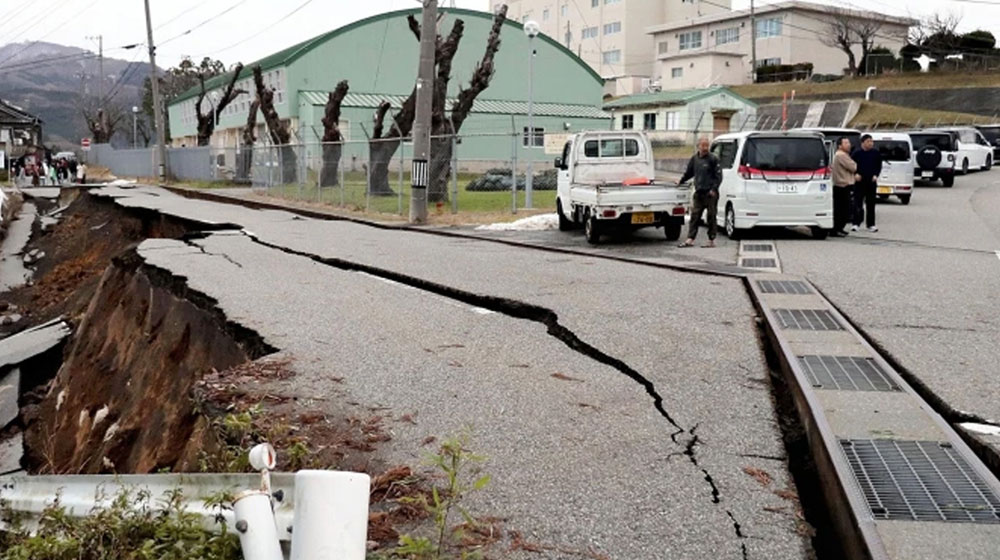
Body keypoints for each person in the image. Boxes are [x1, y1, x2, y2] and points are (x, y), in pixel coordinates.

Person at [676, 137, 722, 248]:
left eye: (707, 145)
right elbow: (689, 173)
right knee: (695, 216)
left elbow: (718, 176)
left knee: (711, 216)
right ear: (698, 146)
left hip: (710, 193)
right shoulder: (695, 159)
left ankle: (711, 239)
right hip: (699, 193)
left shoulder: (713, 159)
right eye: (703, 145)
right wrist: (681, 181)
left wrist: (714, 189)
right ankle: (690, 238)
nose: (705, 148)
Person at [851, 134, 883, 232]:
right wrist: (855, 174)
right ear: (863, 142)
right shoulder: (856, 153)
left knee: (871, 203)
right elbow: (851, 165)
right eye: (868, 141)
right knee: (858, 203)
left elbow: (879, 165)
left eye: (871, 141)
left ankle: (871, 224)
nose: (870, 143)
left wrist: (876, 175)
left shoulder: (875, 153)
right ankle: (856, 223)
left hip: (871, 181)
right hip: (859, 182)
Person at [831, 137, 858, 236]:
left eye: (849, 142)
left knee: (843, 209)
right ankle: (836, 228)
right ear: (840, 145)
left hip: (842, 185)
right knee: (842, 209)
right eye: (846, 143)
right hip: (842, 185)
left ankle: (839, 228)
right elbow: (854, 167)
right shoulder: (841, 155)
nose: (849, 144)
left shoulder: (842, 155)